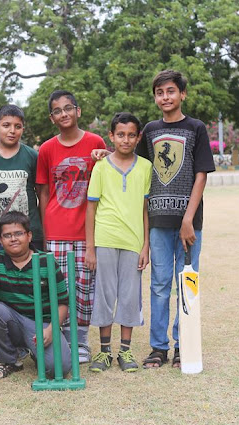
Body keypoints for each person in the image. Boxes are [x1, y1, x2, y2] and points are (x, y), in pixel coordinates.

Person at [94, 70, 215, 368]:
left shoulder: (196, 128)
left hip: (188, 223)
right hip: (158, 220)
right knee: (159, 284)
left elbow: (201, 176)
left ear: (182, 94)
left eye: (171, 91)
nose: (165, 97)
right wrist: (103, 152)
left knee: (185, 283)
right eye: (160, 92)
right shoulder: (149, 129)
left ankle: (182, 344)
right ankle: (159, 348)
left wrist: (189, 218)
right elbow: (132, 157)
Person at [35, 90, 107, 363]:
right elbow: (43, 193)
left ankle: (82, 340)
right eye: (57, 110)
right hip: (56, 230)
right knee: (59, 288)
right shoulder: (47, 149)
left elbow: (111, 170)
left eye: (68, 108)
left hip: (87, 231)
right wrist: (43, 233)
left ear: (78, 111)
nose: (63, 113)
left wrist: (106, 152)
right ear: (52, 117)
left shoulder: (95, 142)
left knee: (85, 287)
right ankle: (63, 338)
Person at [0, 211, 72, 379]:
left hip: (42, 325)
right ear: (0, 240)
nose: (13, 239)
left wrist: (51, 329)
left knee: (58, 369)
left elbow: (63, 302)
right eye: (7, 235)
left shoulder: (46, 261)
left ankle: (35, 351)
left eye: (18, 233)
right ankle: (9, 359)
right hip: (11, 320)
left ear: (29, 236)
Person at [85, 112, 152, 373]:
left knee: (129, 295)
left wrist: (145, 245)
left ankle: (125, 350)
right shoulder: (101, 167)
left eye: (131, 135)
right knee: (104, 294)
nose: (125, 140)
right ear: (111, 136)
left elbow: (146, 209)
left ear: (138, 137)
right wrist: (90, 247)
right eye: (120, 134)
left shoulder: (145, 167)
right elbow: (91, 209)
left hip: (133, 242)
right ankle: (104, 352)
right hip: (105, 239)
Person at [0, 105, 44, 260]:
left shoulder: (32, 156)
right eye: (6, 125)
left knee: (32, 281)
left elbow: (43, 195)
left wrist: (41, 231)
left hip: (29, 234)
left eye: (18, 126)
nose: (12, 131)